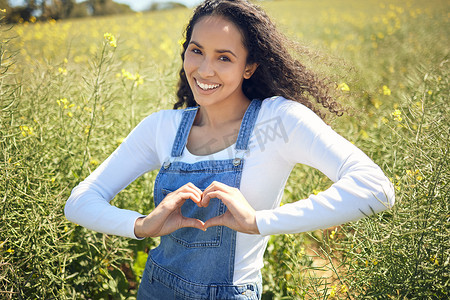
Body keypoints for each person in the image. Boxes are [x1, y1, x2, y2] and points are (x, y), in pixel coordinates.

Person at [64, 0, 395, 299]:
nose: (205, 70)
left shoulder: (279, 120)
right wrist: (141, 225)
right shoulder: (161, 127)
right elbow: (79, 202)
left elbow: (375, 188)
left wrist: (260, 221)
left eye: (224, 57)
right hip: (155, 288)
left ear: (248, 67)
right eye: (197, 51)